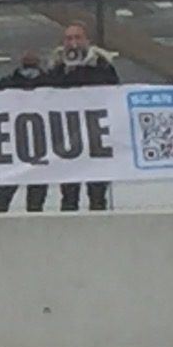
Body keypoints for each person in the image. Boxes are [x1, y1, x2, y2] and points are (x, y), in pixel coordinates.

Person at [44, 22, 119, 211]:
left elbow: (111, 92)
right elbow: (48, 95)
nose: (73, 43)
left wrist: (84, 70)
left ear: (87, 40)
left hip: (96, 136)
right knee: (69, 193)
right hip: (68, 138)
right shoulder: (57, 68)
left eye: (77, 38)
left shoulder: (102, 66)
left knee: (97, 193)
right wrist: (67, 71)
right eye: (69, 38)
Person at [0, 49, 50, 213]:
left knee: (36, 200)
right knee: (3, 197)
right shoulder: (7, 83)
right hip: (13, 145)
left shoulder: (49, 82)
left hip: (40, 146)